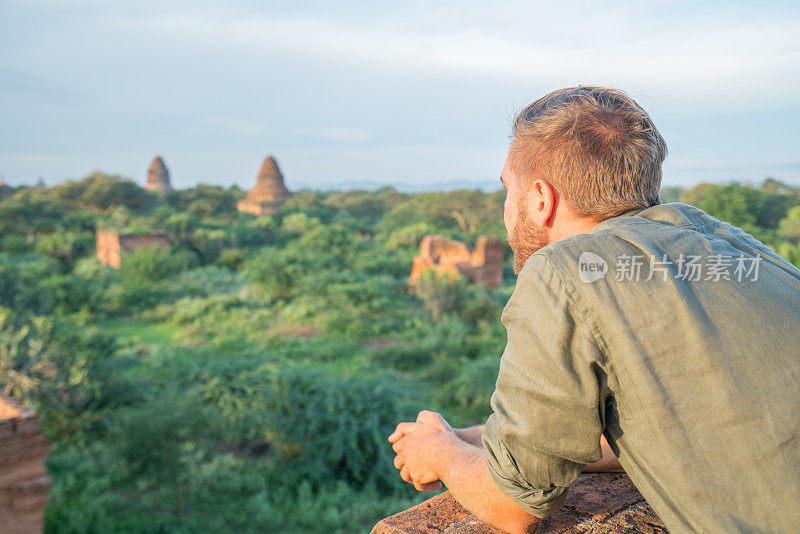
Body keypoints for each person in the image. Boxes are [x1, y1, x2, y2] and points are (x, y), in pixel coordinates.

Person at [388, 86, 800, 534]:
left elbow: (514, 507)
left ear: (541, 200)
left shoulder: (562, 270)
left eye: (508, 192)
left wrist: (440, 455)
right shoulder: (729, 242)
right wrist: (468, 438)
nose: (505, 212)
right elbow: (683, 421)